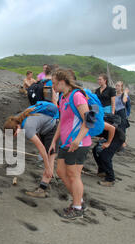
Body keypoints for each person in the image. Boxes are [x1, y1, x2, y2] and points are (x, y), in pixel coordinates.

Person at [49, 69, 91, 219]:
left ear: (62, 82)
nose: (52, 87)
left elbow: (88, 121)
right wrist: (54, 141)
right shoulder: (62, 97)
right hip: (65, 143)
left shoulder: (77, 96)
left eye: (54, 83)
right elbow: (62, 122)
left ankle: (78, 207)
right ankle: (79, 200)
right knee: (60, 171)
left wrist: (78, 140)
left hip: (78, 143)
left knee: (74, 175)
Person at [3, 108, 56, 198]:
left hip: (53, 128)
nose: (16, 136)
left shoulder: (27, 128)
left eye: (15, 134)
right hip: (45, 128)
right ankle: (47, 180)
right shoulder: (16, 119)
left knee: (49, 158)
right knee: (45, 157)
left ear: (17, 127)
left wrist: (47, 167)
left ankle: (42, 189)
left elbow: (42, 148)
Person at [92, 116, 126, 187]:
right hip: (109, 136)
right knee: (95, 150)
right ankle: (102, 171)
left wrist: (108, 143)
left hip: (117, 137)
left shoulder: (94, 121)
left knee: (105, 156)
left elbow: (112, 128)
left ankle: (110, 179)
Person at [114, 81, 130, 147]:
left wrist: (125, 92)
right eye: (116, 85)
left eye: (118, 86)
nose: (117, 87)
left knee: (122, 128)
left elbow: (124, 101)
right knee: (115, 128)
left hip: (122, 112)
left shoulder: (124, 95)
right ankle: (116, 141)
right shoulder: (114, 95)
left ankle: (123, 143)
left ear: (121, 87)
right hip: (115, 113)